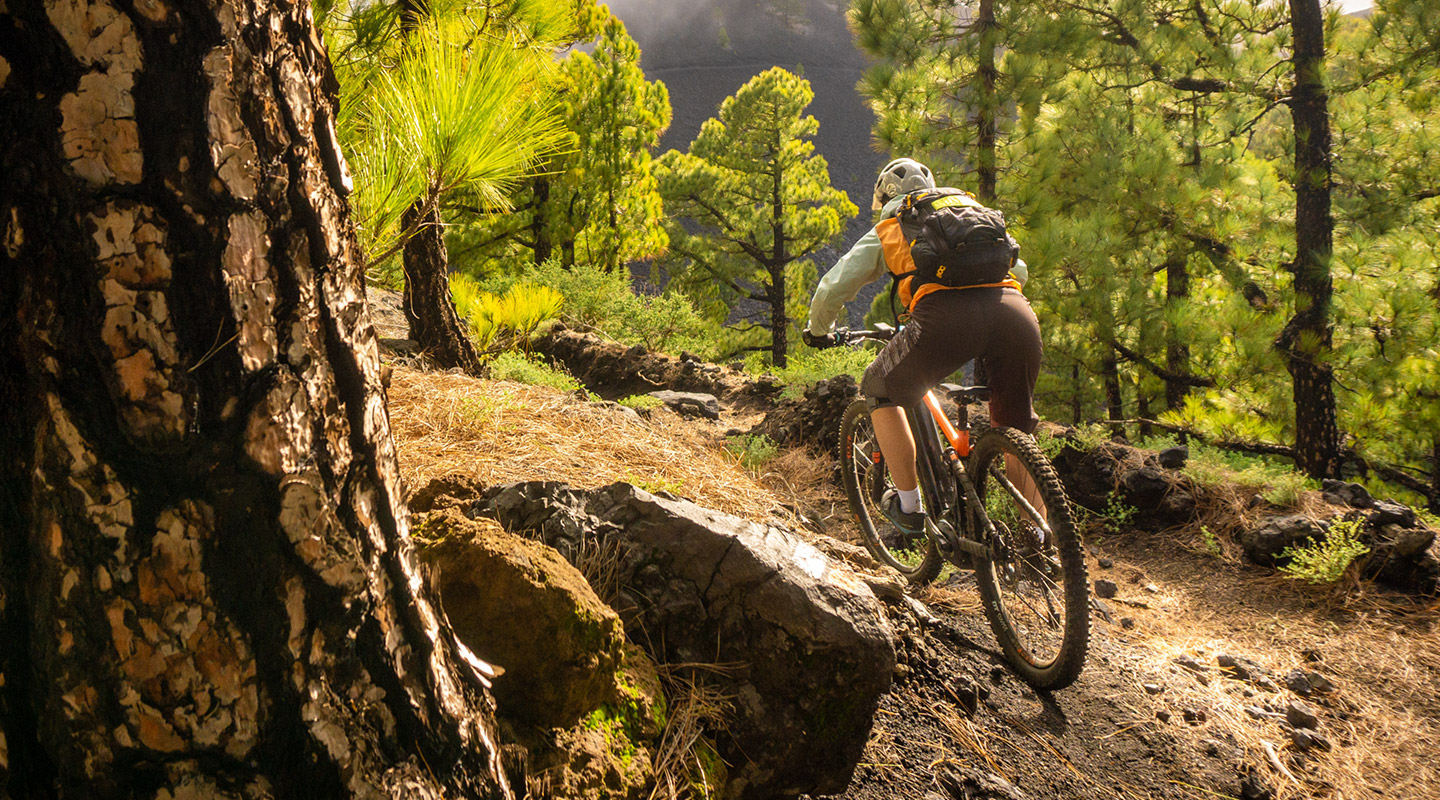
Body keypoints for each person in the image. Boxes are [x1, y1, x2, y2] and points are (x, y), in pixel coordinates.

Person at [802, 157, 1043, 537]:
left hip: (945, 320)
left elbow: (835, 285)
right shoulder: (967, 209)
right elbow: (1021, 270)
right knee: (1015, 428)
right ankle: (1042, 536)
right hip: (1015, 315)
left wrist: (818, 331)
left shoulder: (895, 221)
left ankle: (909, 507)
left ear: (885, 197)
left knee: (879, 388)